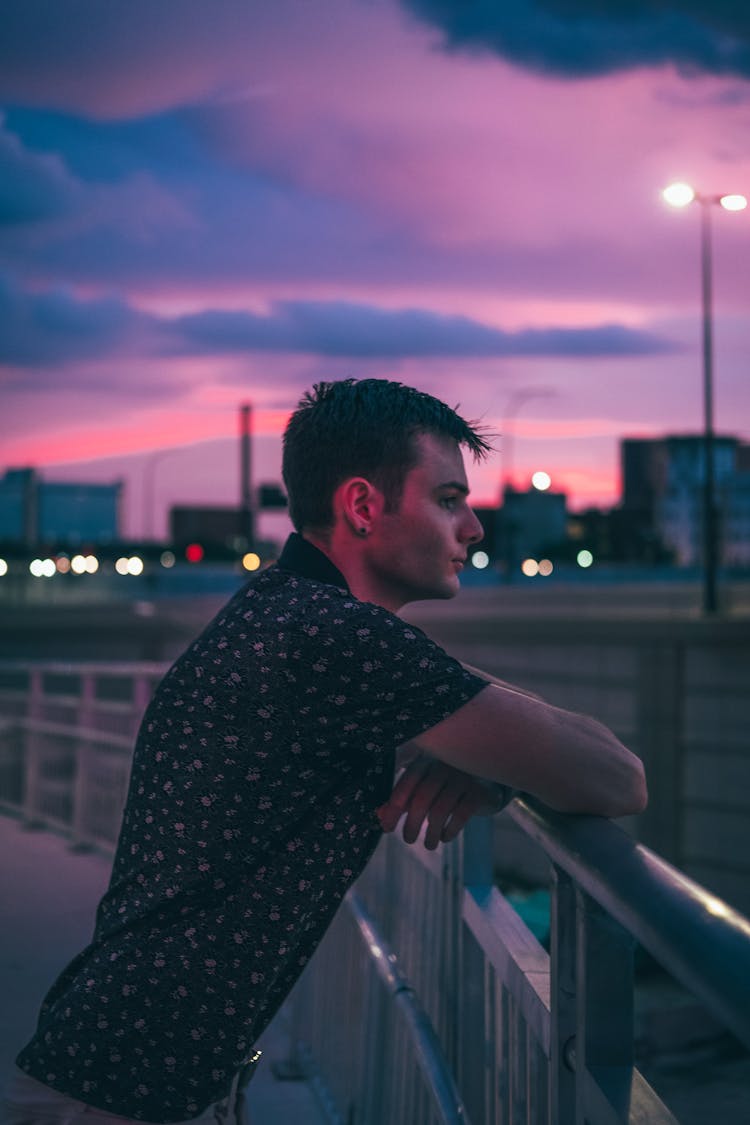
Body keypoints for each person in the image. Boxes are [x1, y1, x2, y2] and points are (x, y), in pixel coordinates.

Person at [4, 378, 647, 1125]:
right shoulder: (333, 639)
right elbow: (618, 777)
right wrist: (503, 757)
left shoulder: (291, 612)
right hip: (123, 1096)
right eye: (447, 499)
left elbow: (513, 728)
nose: (474, 527)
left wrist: (495, 770)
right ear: (364, 507)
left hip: (128, 1071)